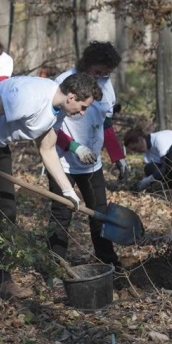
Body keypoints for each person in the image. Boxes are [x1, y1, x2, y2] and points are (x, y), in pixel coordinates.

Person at [0, 74, 102, 300]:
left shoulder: (58, 110)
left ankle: (2, 276)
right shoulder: (30, 97)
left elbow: (47, 149)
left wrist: (67, 190)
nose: (83, 113)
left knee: (8, 210)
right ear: (72, 97)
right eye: (83, 107)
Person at [47, 41, 126, 269]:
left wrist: (117, 155)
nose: (100, 77)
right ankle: (55, 265)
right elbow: (49, 126)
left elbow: (105, 123)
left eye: (105, 73)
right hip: (62, 162)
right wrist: (74, 147)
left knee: (99, 213)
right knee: (62, 213)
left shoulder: (106, 86)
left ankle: (107, 262)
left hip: (92, 164)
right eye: (97, 71)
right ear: (86, 64)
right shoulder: (64, 82)